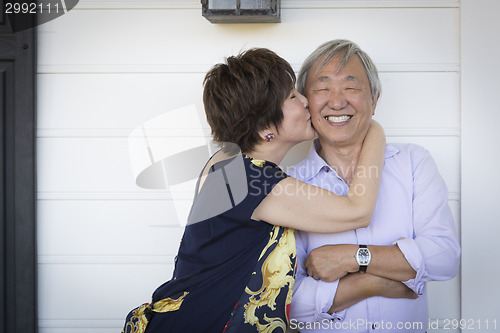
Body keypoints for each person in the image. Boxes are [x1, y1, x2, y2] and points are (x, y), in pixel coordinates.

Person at [121, 48, 386, 333]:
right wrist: (374, 129)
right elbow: (357, 211)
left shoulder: (224, 164)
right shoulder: (252, 181)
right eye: (292, 97)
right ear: (265, 127)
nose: (307, 101)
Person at [287, 39, 461, 333]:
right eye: (322, 88)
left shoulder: (413, 163)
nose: (337, 101)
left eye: (351, 87)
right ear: (306, 103)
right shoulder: (290, 184)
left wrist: (353, 257)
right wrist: (371, 282)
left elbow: (444, 257)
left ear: (375, 100)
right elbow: (289, 302)